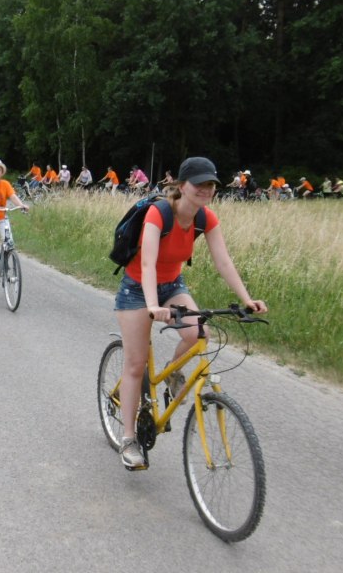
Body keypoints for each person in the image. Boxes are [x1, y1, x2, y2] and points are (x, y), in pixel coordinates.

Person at [114, 157, 267, 470]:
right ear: (182, 186)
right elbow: (147, 263)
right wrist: (153, 306)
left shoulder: (205, 218)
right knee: (135, 364)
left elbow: (223, 261)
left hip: (172, 285)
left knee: (200, 332)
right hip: (137, 289)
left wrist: (247, 299)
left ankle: (172, 373)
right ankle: (128, 439)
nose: (206, 190)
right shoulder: (159, 213)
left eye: (211, 184)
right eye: (199, 184)